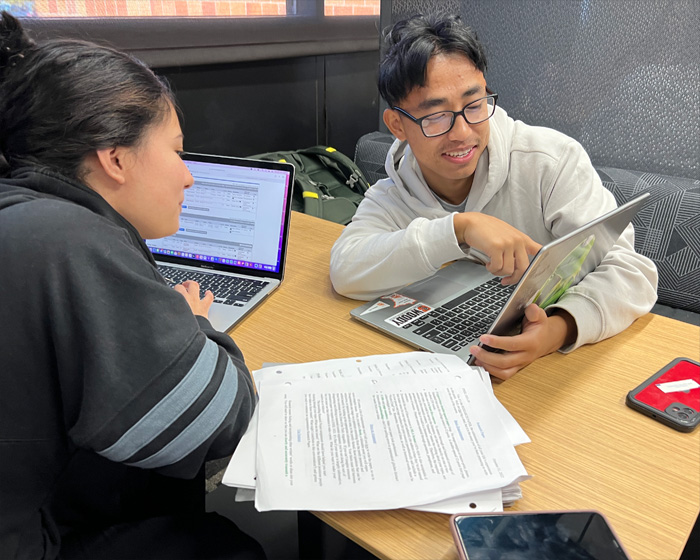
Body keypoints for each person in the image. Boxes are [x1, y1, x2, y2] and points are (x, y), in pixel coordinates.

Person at [0, 12, 265, 560]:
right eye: (176, 150)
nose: (188, 175)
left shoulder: (23, 212)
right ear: (115, 158)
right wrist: (193, 326)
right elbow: (222, 421)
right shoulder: (67, 240)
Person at [330, 14, 658, 380]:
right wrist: (458, 229)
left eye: (474, 104)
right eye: (436, 116)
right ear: (397, 126)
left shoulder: (550, 162)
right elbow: (346, 270)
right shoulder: (396, 190)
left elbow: (634, 272)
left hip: (560, 371)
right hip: (443, 367)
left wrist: (560, 328)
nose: (463, 133)